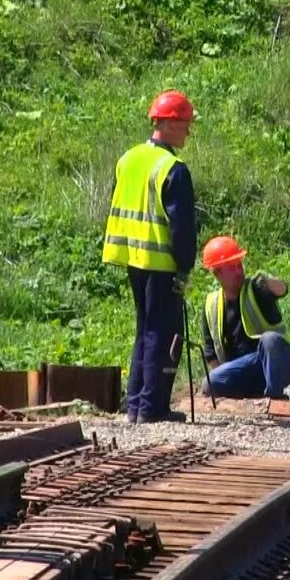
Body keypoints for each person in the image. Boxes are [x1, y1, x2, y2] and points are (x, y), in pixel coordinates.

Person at [102, 90, 197, 423]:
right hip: (160, 263)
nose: (188, 130)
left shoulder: (128, 159)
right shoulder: (173, 168)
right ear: (169, 124)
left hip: (132, 258)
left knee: (144, 329)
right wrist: (184, 268)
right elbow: (182, 227)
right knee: (162, 332)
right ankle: (152, 408)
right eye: (185, 123)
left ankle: (135, 405)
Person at [199, 236, 290, 399]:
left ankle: (275, 396)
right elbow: (210, 351)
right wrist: (221, 378)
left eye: (239, 265)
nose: (238, 271)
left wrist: (267, 281)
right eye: (231, 268)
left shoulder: (256, 288)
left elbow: (283, 289)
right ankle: (253, 395)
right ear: (217, 273)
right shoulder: (211, 304)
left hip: (277, 360)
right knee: (209, 383)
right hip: (243, 368)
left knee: (270, 339)